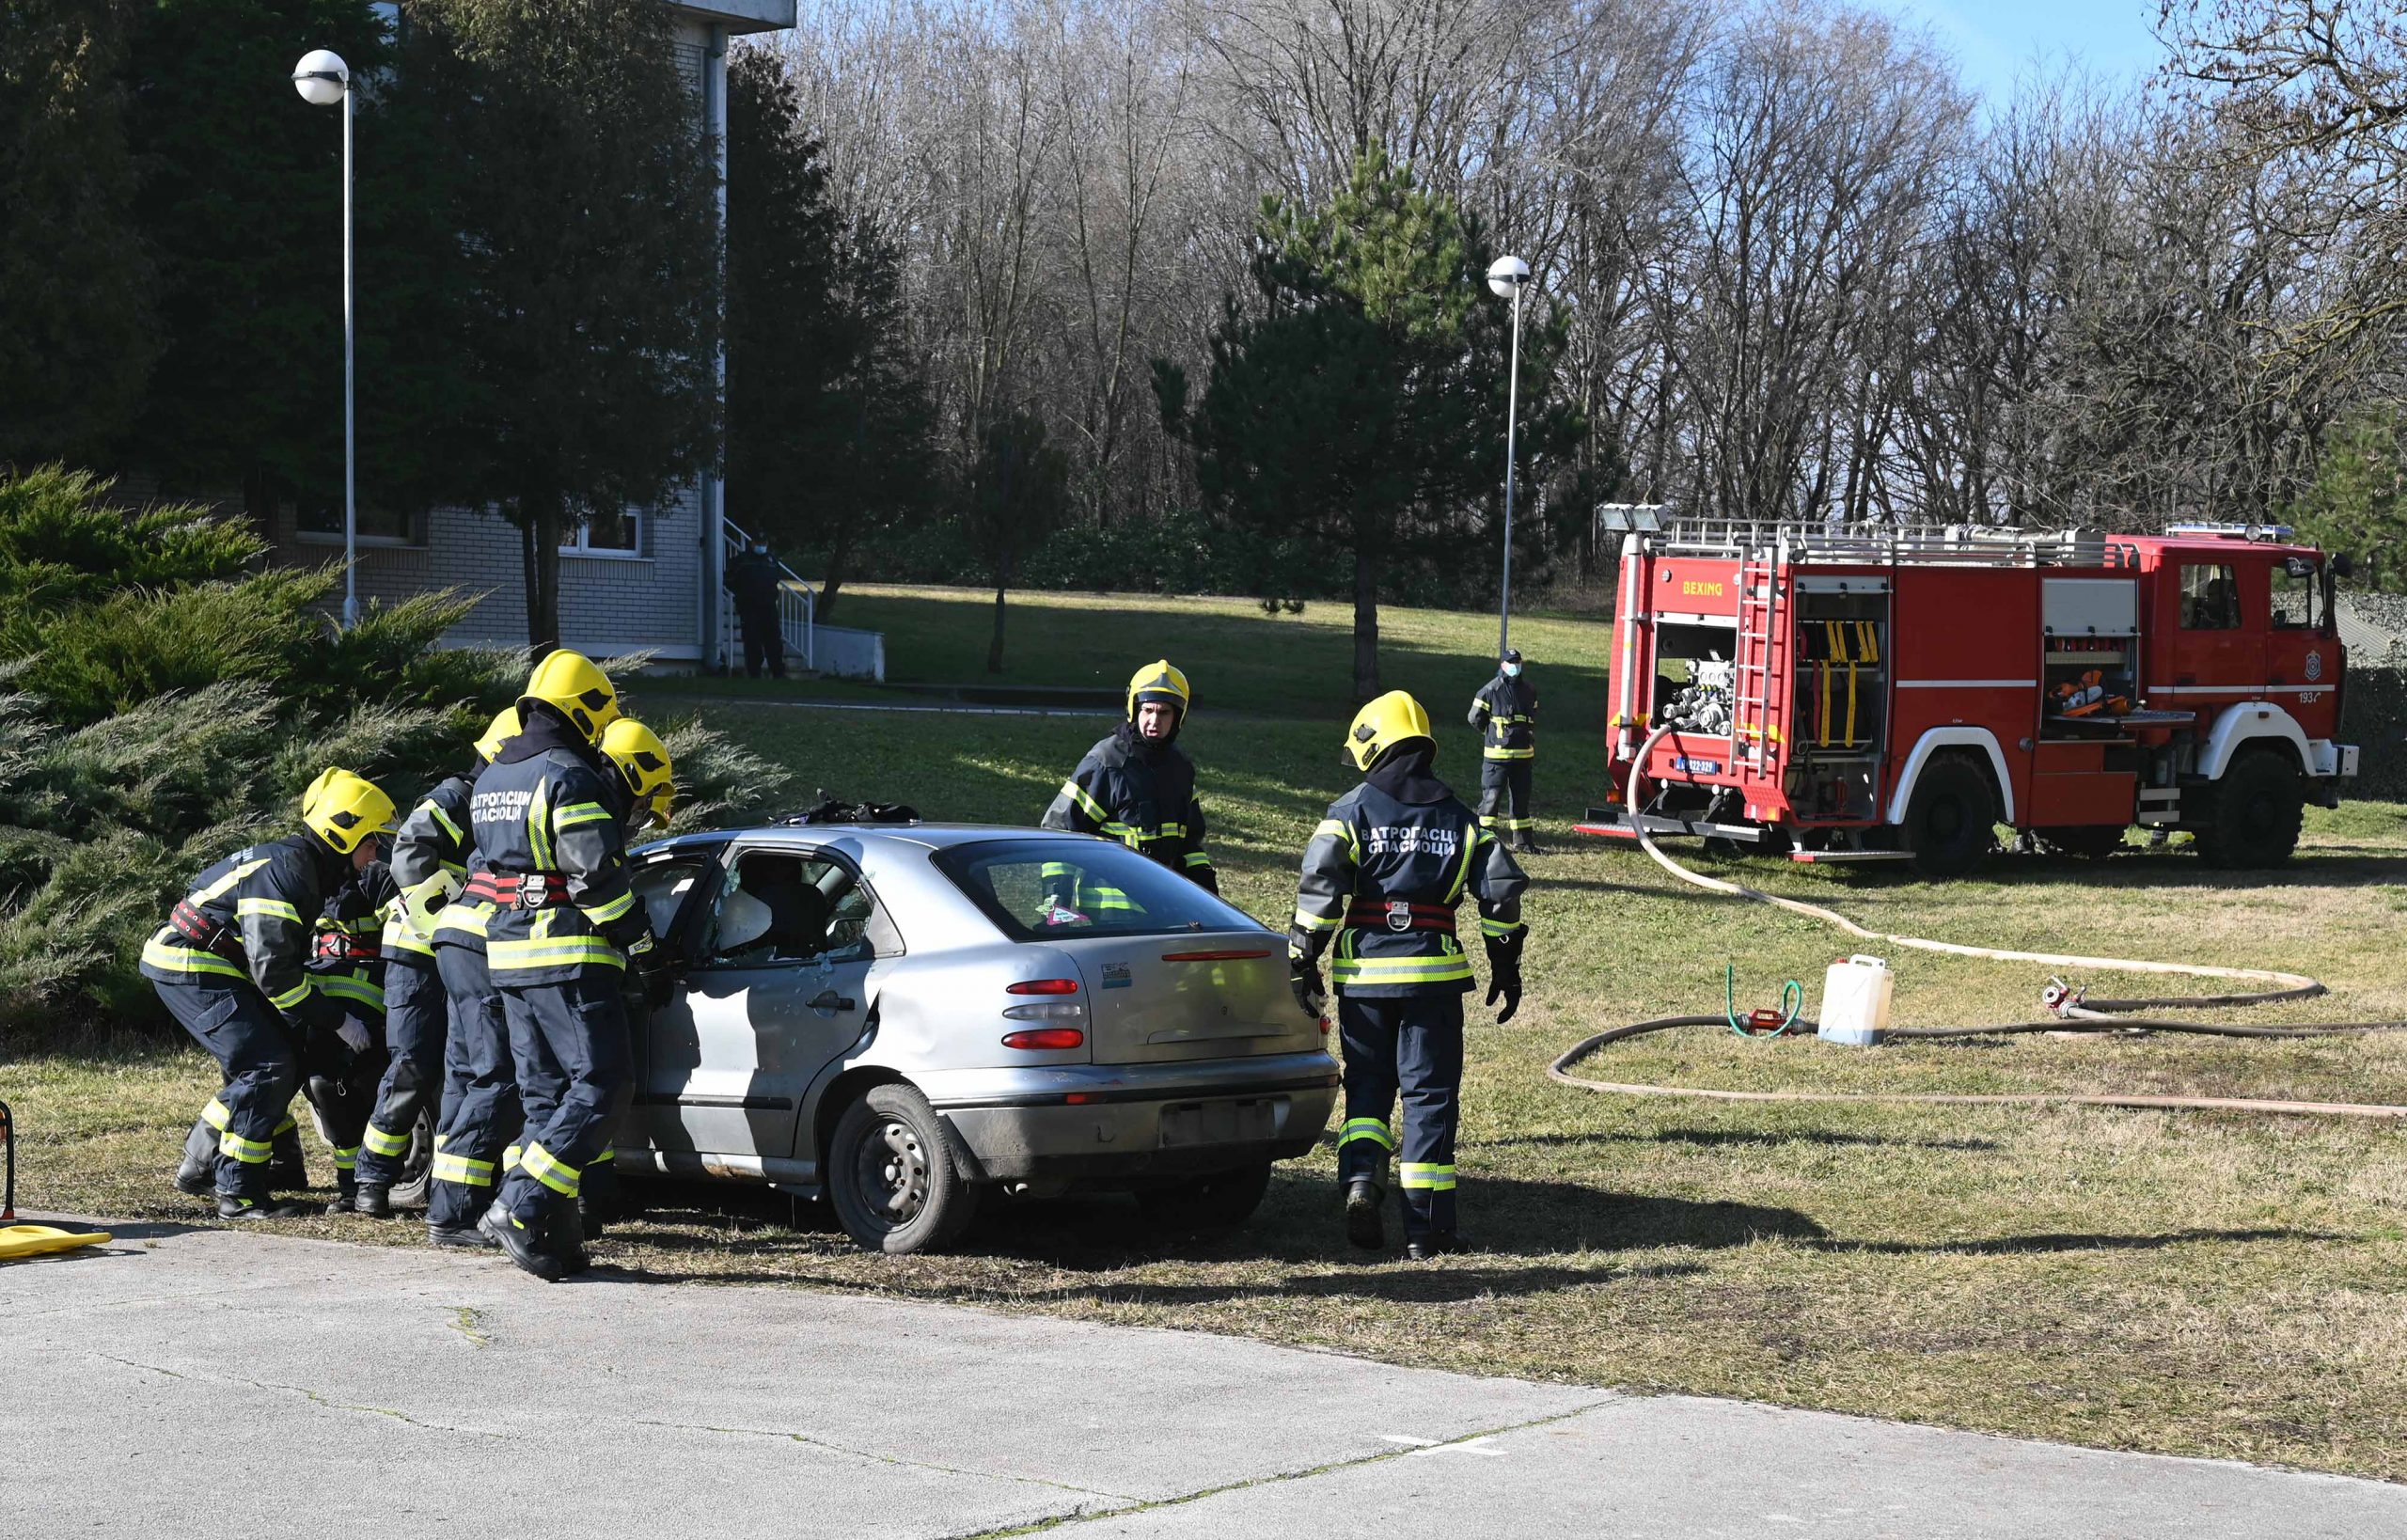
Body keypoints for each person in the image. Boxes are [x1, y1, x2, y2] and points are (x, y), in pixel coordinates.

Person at [1288, 692, 1528, 1261]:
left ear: (1374, 745)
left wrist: (1303, 956)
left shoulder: (1349, 811)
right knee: (1428, 1099)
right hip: (1432, 981)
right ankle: (1427, 1231)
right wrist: (1505, 962)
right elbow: (1499, 893)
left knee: (1368, 1089)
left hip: (1365, 978)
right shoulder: (1461, 818)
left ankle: (1362, 1182)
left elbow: (1320, 887)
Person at [468, 652, 656, 1280]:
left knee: (548, 1099)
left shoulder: (495, 774)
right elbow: (595, 876)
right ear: (584, 710)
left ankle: (558, 1238)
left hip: (510, 955)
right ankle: (520, 1206)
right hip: (568, 954)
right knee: (604, 1083)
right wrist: (643, 944)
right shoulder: (569, 775)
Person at [144, 768, 396, 1219]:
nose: (375, 853)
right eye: (371, 842)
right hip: (191, 962)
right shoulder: (291, 872)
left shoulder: (305, 868)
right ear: (342, 835)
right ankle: (238, 1195)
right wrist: (339, 1020)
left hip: (214, 962)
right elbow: (275, 973)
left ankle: (206, 1167)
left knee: (280, 1059)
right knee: (267, 1065)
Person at [349, 713, 511, 1218]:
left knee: (460, 1071)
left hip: (464, 955)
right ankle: (371, 1180)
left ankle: (455, 1187)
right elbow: (410, 851)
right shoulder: (458, 795)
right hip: (419, 950)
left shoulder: (500, 803)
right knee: (413, 1064)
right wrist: (443, 919)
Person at [1040, 660, 1218, 913]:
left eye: (1164, 712)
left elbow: (1189, 842)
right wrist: (1056, 903)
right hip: (1106, 914)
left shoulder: (1180, 769)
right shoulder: (1106, 762)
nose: (1154, 720)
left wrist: (1205, 887)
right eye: (1148, 710)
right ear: (1134, 710)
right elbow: (1060, 831)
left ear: (1179, 716)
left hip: (1164, 910)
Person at [1468, 647, 1541, 854]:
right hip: (1496, 758)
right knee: (1490, 801)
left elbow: (1532, 716)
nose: (1515, 666)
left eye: (1517, 662)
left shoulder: (1529, 690)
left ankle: (1524, 843)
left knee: (1521, 802)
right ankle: (1485, 843)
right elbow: (1474, 718)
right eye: (1511, 663)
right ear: (1502, 665)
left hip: (1523, 757)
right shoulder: (1490, 690)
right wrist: (1491, 735)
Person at [726, 539, 787, 680]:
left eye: (764, 543)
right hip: (749, 606)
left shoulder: (771, 560)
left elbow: (776, 578)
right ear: (752, 544)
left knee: (774, 639)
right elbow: (729, 580)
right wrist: (742, 594)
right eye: (759, 543)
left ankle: (778, 671)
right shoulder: (742, 560)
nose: (762, 546)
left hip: (768, 605)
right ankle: (754, 672)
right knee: (752, 639)